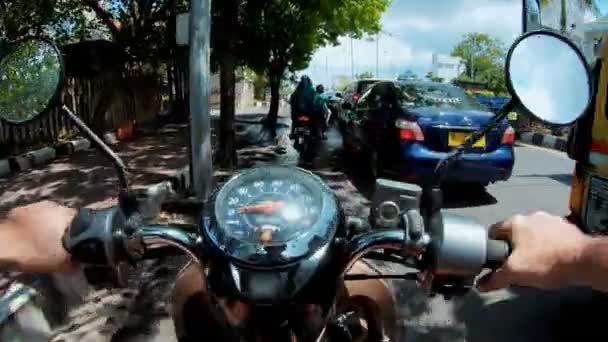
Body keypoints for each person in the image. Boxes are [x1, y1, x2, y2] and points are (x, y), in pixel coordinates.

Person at [3, 202, 608, 293]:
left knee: (376, 302)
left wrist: (581, 256)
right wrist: (574, 254)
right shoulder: (310, 102)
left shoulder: (316, 103)